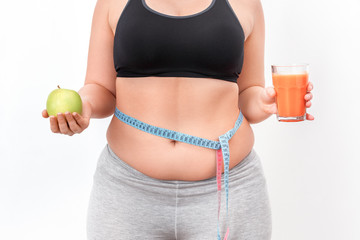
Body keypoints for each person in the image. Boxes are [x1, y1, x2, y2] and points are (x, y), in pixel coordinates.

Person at [42, 0, 314, 239]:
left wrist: (267, 102)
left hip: (228, 189)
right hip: (128, 192)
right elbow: (100, 87)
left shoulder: (246, 3)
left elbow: (248, 93)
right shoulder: (113, 2)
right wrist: (85, 105)